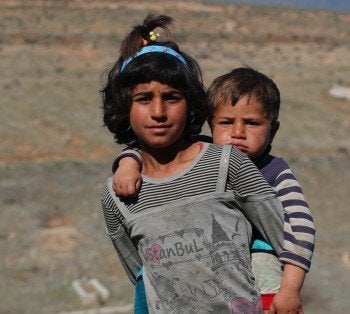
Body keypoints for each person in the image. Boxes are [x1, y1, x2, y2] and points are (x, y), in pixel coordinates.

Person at [101, 14, 287, 313]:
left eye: (172, 97)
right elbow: (142, 275)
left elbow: (283, 242)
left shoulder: (228, 163)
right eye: (144, 99)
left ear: (191, 105)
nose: (159, 112)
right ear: (124, 108)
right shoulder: (117, 196)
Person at [113, 67, 315, 313]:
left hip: (261, 285)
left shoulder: (276, 172)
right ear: (211, 124)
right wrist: (128, 162)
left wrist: (290, 289)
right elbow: (156, 148)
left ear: (273, 129)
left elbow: (300, 230)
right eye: (226, 123)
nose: (238, 133)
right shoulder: (207, 156)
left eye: (251, 123)